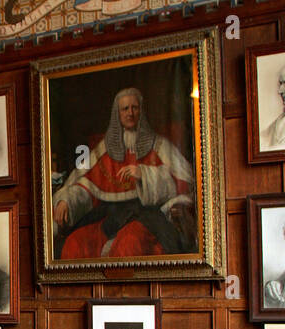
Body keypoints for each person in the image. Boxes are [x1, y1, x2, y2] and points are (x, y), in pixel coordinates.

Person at [52, 87, 194, 260]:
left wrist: (145, 174)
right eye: (125, 109)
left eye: (135, 107)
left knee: (129, 243)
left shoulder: (160, 146)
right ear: (117, 114)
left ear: (141, 111)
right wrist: (67, 200)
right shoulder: (105, 149)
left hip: (146, 216)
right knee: (76, 243)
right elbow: (87, 184)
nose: (130, 113)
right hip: (110, 218)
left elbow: (185, 183)